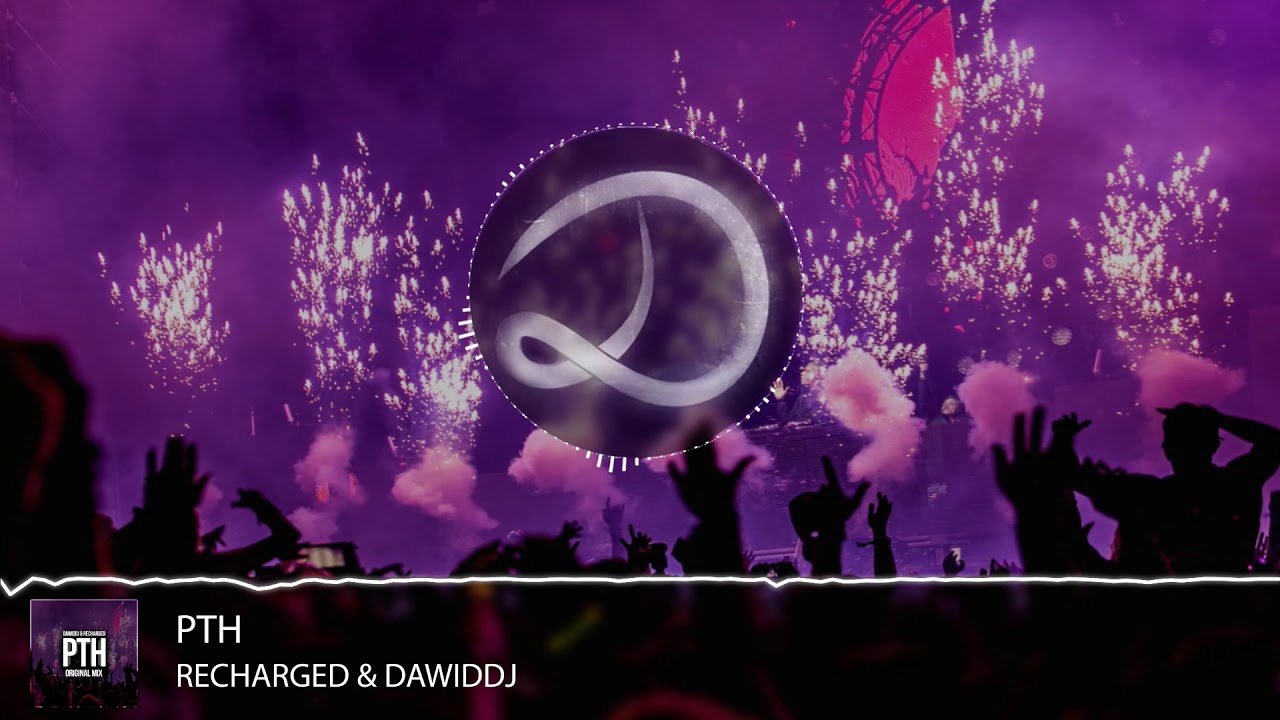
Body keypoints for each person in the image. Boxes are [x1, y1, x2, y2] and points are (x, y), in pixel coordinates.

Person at [1077, 403, 1280, 575]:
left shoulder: (1155, 496)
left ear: (1167, 449)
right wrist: (1218, 419)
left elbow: (1078, 480)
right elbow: (1274, 442)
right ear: (1214, 445)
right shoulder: (1237, 482)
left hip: (1171, 607)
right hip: (1237, 604)